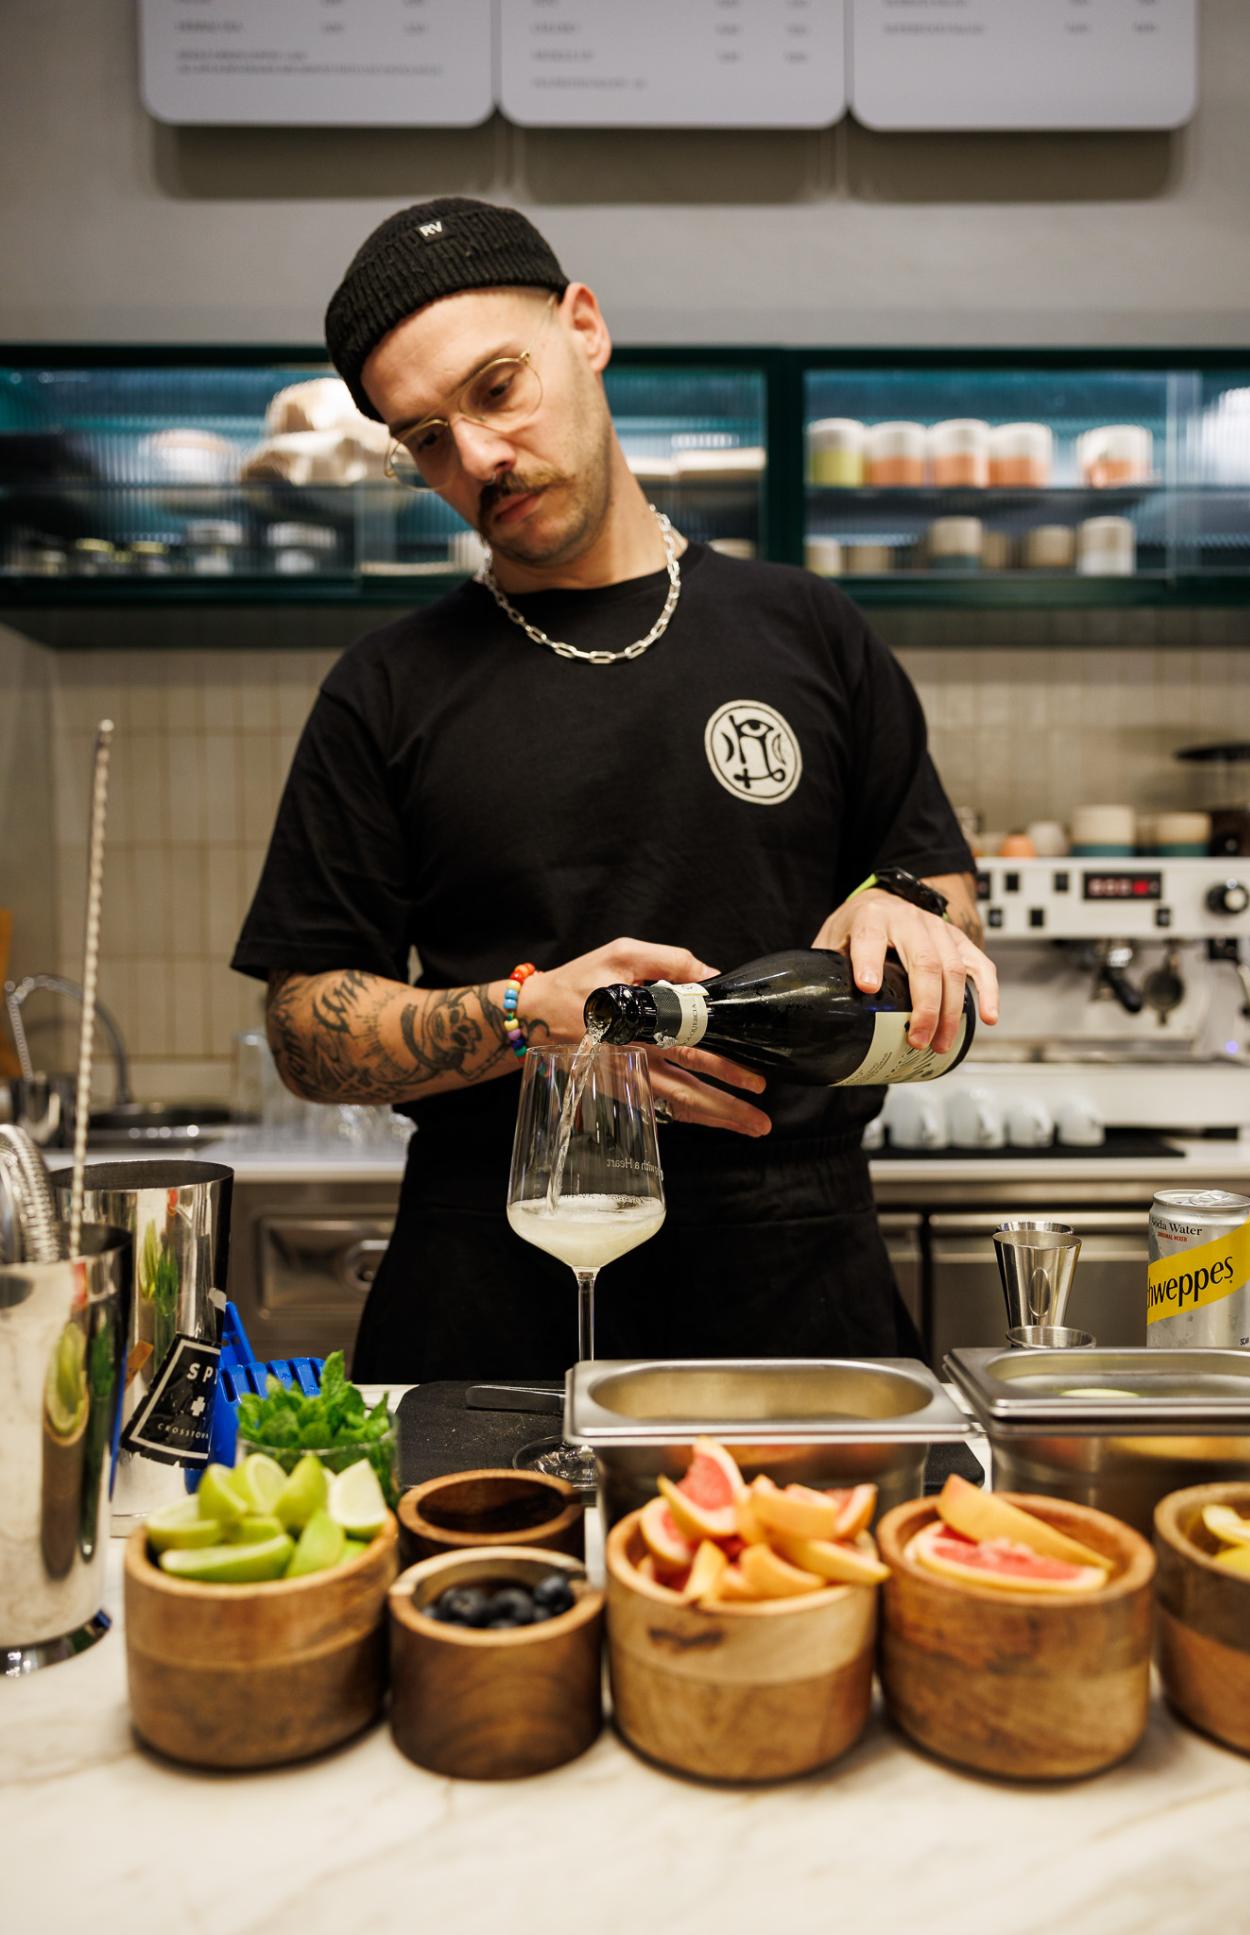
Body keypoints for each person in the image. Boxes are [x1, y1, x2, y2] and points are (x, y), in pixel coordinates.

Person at [232, 197, 998, 1381]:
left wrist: (911, 911)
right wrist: (523, 1016)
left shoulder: (811, 631)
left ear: (582, 325)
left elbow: (940, 887)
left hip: (790, 1265)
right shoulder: (385, 687)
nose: (478, 455)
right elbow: (304, 1028)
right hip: (495, 1272)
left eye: (498, 388)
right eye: (426, 436)